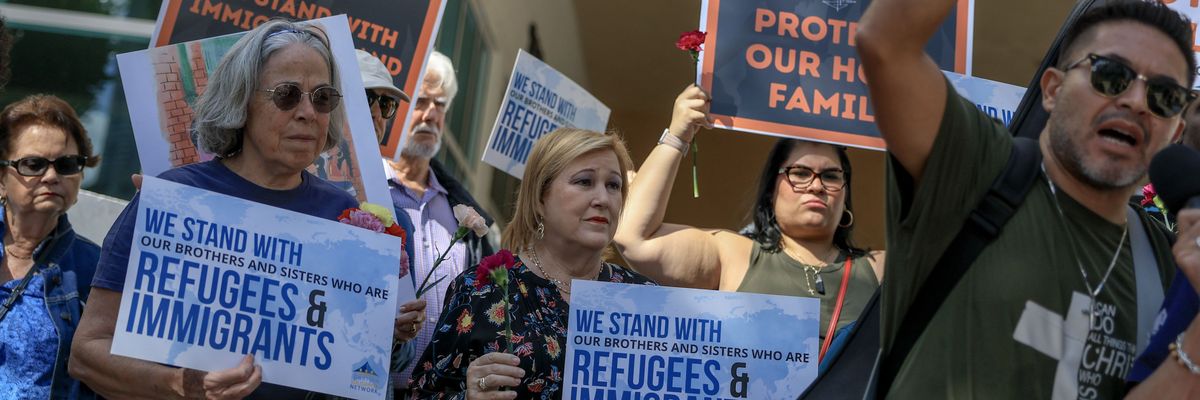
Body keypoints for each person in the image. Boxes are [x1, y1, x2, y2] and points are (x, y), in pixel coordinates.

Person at [858, 0, 1196, 397]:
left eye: (1164, 96)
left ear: (1175, 132)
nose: (1137, 102)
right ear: (1052, 90)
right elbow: (886, 43)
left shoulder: (1170, 264)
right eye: (1111, 75)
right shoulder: (976, 169)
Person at [70, 20, 360, 399]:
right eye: (287, 94)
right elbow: (87, 353)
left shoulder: (344, 215)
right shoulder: (174, 198)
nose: (308, 112)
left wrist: (383, 323)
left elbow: (351, 360)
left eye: (322, 97)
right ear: (242, 101)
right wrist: (179, 385)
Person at [614, 86, 883, 359]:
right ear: (770, 191)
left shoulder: (881, 268)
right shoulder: (735, 255)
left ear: (846, 195)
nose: (816, 186)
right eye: (800, 173)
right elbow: (634, 238)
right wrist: (677, 135)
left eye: (831, 176)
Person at [408, 128, 656, 398]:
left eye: (614, 185)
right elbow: (422, 393)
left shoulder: (647, 299)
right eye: (584, 182)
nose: (603, 199)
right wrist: (468, 396)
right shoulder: (479, 290)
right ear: (540, 198)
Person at [386, 50, 495, 394]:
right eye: (420, 101)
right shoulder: (363, 194)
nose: (431, 115)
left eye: (441, 105)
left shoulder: (462, 211)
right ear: (392, 107)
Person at [0, 95, 100, 399]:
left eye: (68, 164)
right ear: (1, 177)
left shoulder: (96, 269)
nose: (52, 176)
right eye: (34, 164)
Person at [355, 48, 428, 398]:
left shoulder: (394, 217)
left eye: (385, 104)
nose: (375, 112)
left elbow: (402, 361)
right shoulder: (287, 190)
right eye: (365, 96)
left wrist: (398, 334)